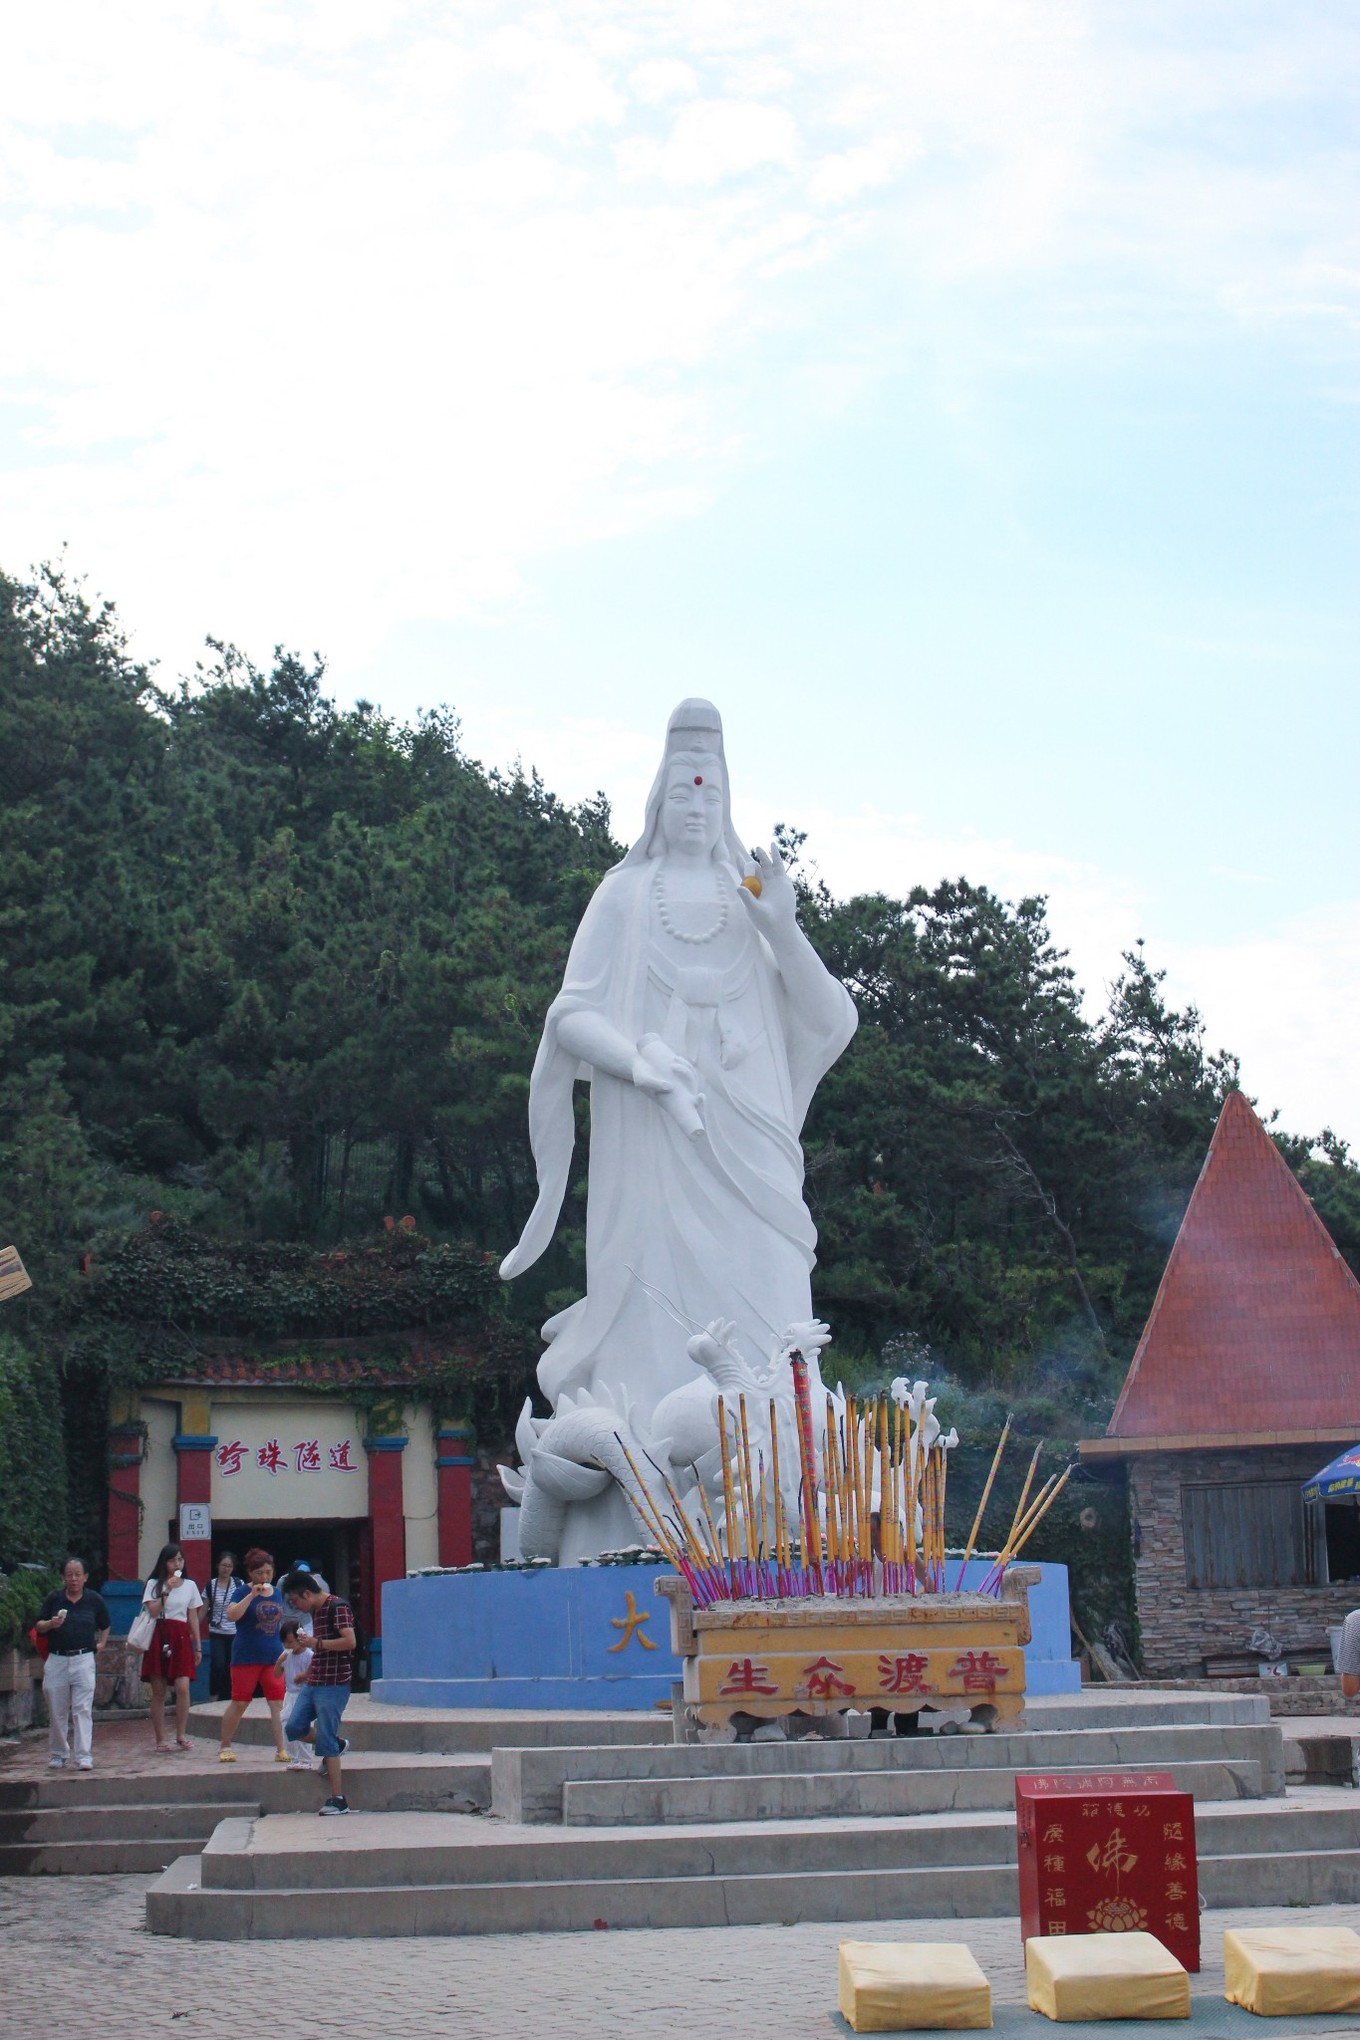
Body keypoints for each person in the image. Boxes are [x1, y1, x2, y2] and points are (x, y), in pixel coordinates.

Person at [499, 697, 857, 1562]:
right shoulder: (624, 895)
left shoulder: (754, 904)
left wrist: (785, 930)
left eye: (712, 790)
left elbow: (833, 1020)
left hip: (749, 1144)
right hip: (654, 1146)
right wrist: (639, 1063)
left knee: (773, 1306)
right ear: (657, 798)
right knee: (652, 1312)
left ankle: (784, 1499)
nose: (697, 804)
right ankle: (646, 1493)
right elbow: (571, 1015)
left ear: (728, 801)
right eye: (683, 788)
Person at [281, 1569, 355, 1814]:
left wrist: (317, 1644)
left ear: (306, 1594)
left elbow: (350, 1641)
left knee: (325, 1737)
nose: (295, 1606)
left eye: (295, 1600)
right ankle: (336, 1744)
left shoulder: (337, 1607)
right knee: (294, 1727)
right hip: (314, 1681)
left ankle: (338, 1799)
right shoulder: (314, 1611)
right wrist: (308, 1671)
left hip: (334, 1683)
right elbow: (318, 1651)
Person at [35, 1557, 110, 1770]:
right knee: (56, 1708)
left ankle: (84, 1755)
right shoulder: (54, 1599)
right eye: (69, 1574)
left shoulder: (94, 1600)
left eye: (78, 1574)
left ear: (85, 1577)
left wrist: (102, 1643)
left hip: (83, 1658)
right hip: (57, 1659)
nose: (74, 1579)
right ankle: (58, 1753)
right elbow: (38, 1625)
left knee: (82, 1708)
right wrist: (51, 1624)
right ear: (63, 1577)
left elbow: (105, 1623)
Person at [217, 1547, 290, 1764]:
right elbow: (232, 1615)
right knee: (240, 1701)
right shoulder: (241, 1591)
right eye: (259, 1573)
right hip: (246, 1655)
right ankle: (225, 1745)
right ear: (250, 1573)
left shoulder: (277, 1592)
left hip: (273, 1655)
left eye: (268, 1572)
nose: (264, 1577)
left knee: (277, 1702)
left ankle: (281, 1748)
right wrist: (251, 1595)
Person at [140, 1542, 203, 1752]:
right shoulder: (153, 1584)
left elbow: (192, 1616)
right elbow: (153, 1611)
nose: (177, 1564)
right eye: (172, 1560)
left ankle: (181, 1734)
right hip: (159, 1634)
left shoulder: (190, 1585)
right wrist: (167, 1590)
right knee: (158, 1691)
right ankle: (160, 1739)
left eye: (180, 1559)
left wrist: (198, 1645)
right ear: (164, 1562)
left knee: (183, 1686)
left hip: (181, 1636)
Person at [275, 1618, 315, 1767]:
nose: (288, 1646)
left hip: (304, 1695)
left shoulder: (309, 1656)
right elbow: (277, 1674)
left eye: (290, 1642)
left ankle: (305, 1759)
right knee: (286, 1724)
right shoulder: (286, 1655)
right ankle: (293, 1758)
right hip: (289, 1694)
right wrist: (279, 1662)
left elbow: (314, 1675)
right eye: (285, 1643)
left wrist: (304, 1677)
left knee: (302, 1726)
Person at [204, 1551, 241, 1700]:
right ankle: (214, 1694)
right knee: (218, 1664)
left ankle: (227, 1697)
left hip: (234, 1632)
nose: (226, 1569)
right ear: (217, 1566)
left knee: (231, 1666)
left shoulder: (238, 1584)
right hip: (216, 1632)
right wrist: (191, 1629)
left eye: (229, 1566)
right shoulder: (210, 1585)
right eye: (223, 1565)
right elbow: (203, 1609)